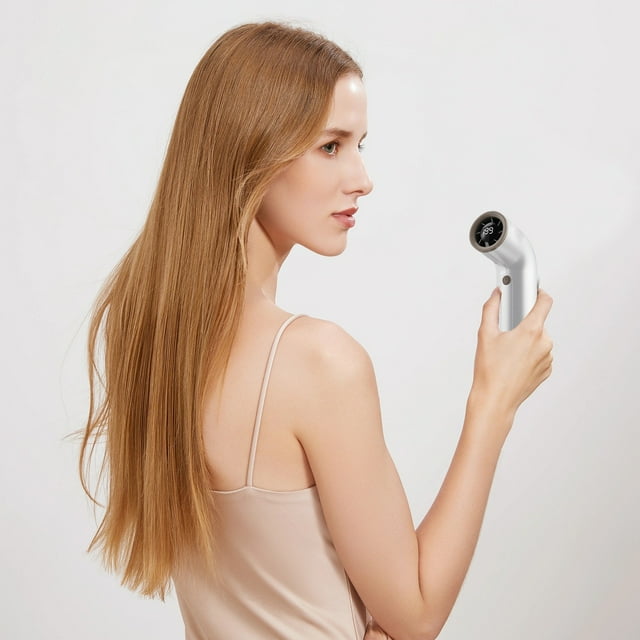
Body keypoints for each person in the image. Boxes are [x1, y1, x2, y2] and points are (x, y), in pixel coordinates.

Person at [77, 21, 554, 640]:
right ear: (252, 150)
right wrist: (493, 402)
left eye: (360, 145)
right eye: (331, 146)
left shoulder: (145, 333)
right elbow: (415, 615)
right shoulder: (317, 361)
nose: (362, 178)